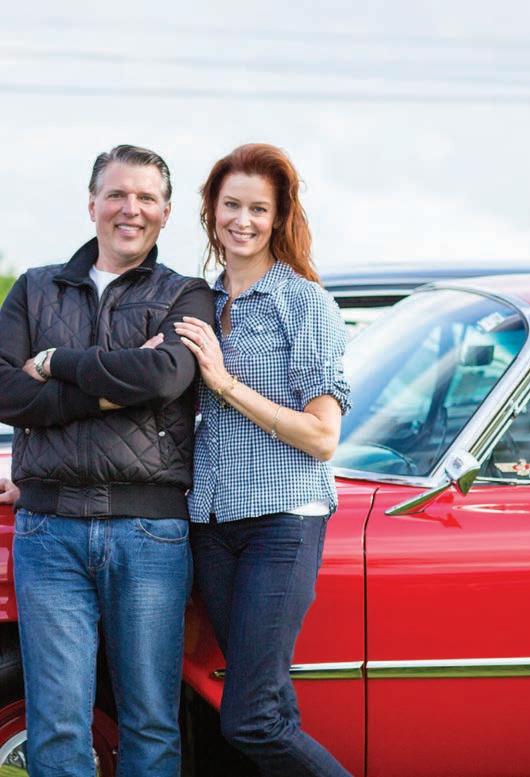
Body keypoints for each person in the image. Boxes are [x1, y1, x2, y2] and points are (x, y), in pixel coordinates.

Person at [0, 144, 214, 777]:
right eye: (117, 194)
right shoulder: (35, 288)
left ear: (166, 212)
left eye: (147, 197)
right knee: (57, 723)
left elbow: (165, 377)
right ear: (91, 204)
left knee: (150, 721)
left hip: (150, 533)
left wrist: (56, 363)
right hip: (49, 530)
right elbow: (5, 391)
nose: (131, 209)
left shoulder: (186, 294)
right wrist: (113, 387)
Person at [175, 143, 352, 777]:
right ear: (211, 210)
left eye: (258, 208)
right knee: (267, 705)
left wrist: (224, 383)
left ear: (279, 218)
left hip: (281, 523)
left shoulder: (304, 303)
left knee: (251, 718)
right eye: (231, 205)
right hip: (210, 526)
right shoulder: (197, 301)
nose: (242, 220)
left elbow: (323, 436)